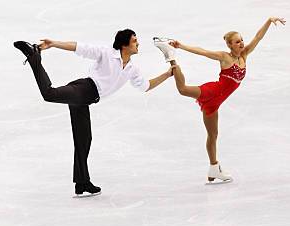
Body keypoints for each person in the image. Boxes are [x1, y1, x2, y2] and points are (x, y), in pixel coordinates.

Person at [14, 30, 172, 196]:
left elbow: (145, 86)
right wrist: (54, 43)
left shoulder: (132, 69)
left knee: (84, 139)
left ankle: (82, 183)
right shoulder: (106, 53)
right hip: (83, 89)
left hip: (86, 100)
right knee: (49, 94)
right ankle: (33, 55)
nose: (138, 43)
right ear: (124, 44)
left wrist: (167, 75)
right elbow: (79, 47)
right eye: (134, 41)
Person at [153, 17, 286, 183]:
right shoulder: (224, 57)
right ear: (229, 45)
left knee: (213, 134)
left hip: (217, 102)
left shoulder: (245, 54)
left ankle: (214, 168)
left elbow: (258, 37)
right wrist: (181, 46)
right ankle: (170, 56)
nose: (242, 43)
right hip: (212, 92)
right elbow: (203, 51)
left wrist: (269, 21)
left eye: (242, 40)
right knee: (183, 89)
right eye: (237, 42)